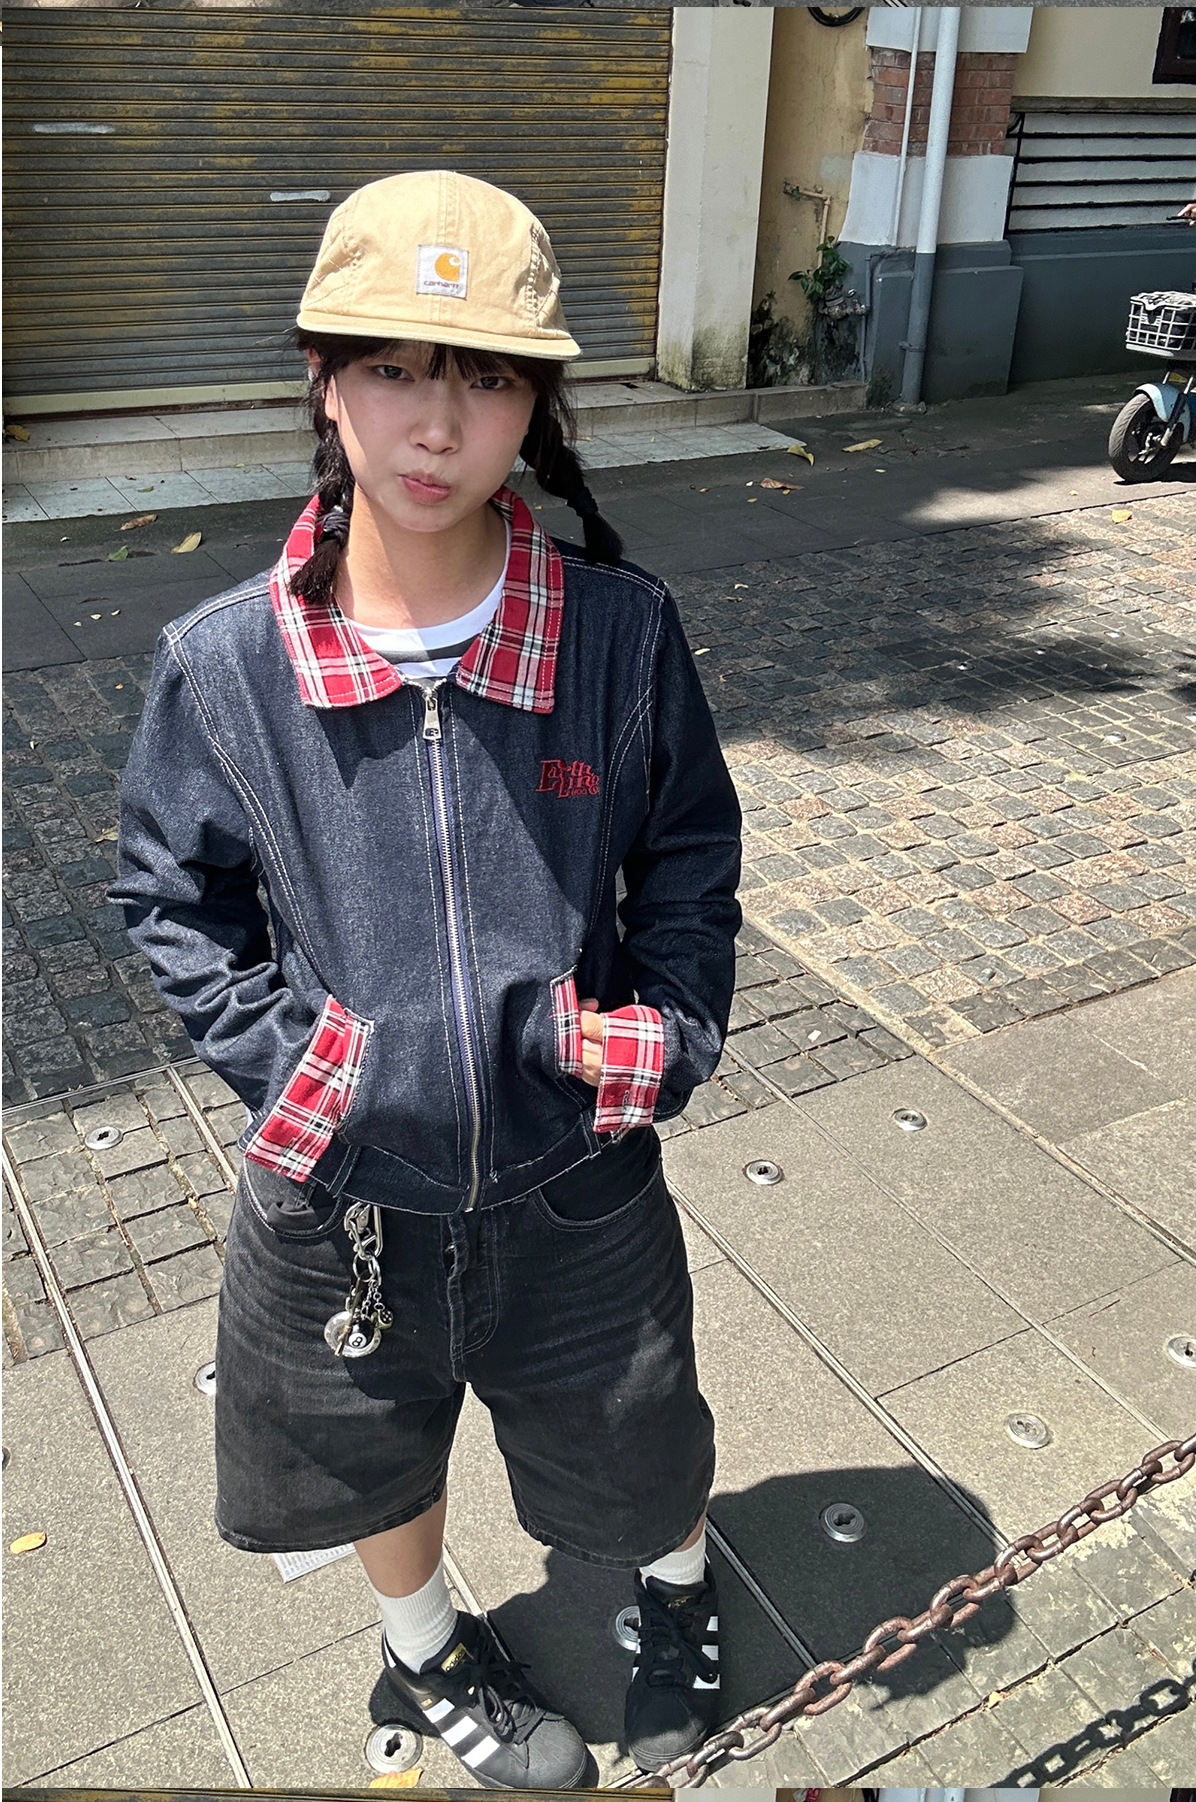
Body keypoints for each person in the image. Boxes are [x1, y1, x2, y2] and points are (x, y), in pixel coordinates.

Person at [113, 170, 741, 1788]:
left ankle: (679, 1592)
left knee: (640, 1426)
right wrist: (307, 1071)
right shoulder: (226, 664)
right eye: (393, 366)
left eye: (487, 376)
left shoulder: (617, 633)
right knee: (373, 1451)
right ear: (324, 380)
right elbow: (173, 897)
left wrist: (657, 1034)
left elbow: (688, 853)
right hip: (347, 1194)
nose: (439, 422)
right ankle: (427, 1647)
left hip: (577, 1173)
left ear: (537, 405)